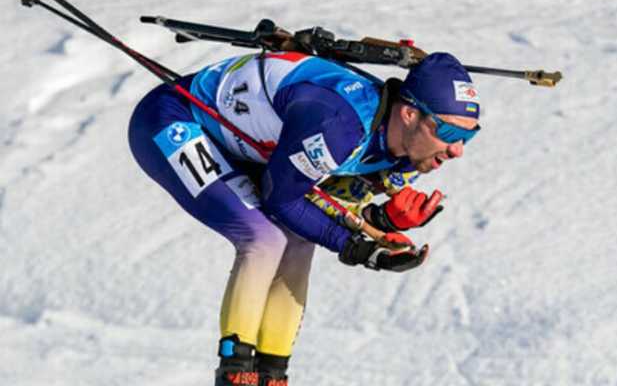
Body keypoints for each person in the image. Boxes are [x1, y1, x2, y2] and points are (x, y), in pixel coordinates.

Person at [127, 50, 481, 386]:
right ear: (409, 114)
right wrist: (359, 249)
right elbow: (282, 200)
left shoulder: (413, 152)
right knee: (263, 238)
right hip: (173, 119)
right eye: (449, 133)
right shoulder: (338, 125)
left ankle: (273, 372)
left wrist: (383, 220)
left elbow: (333, 202)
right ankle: (236, 371)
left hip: (247, 150)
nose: (457, 150)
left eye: (468, 135)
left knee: (299, 238)